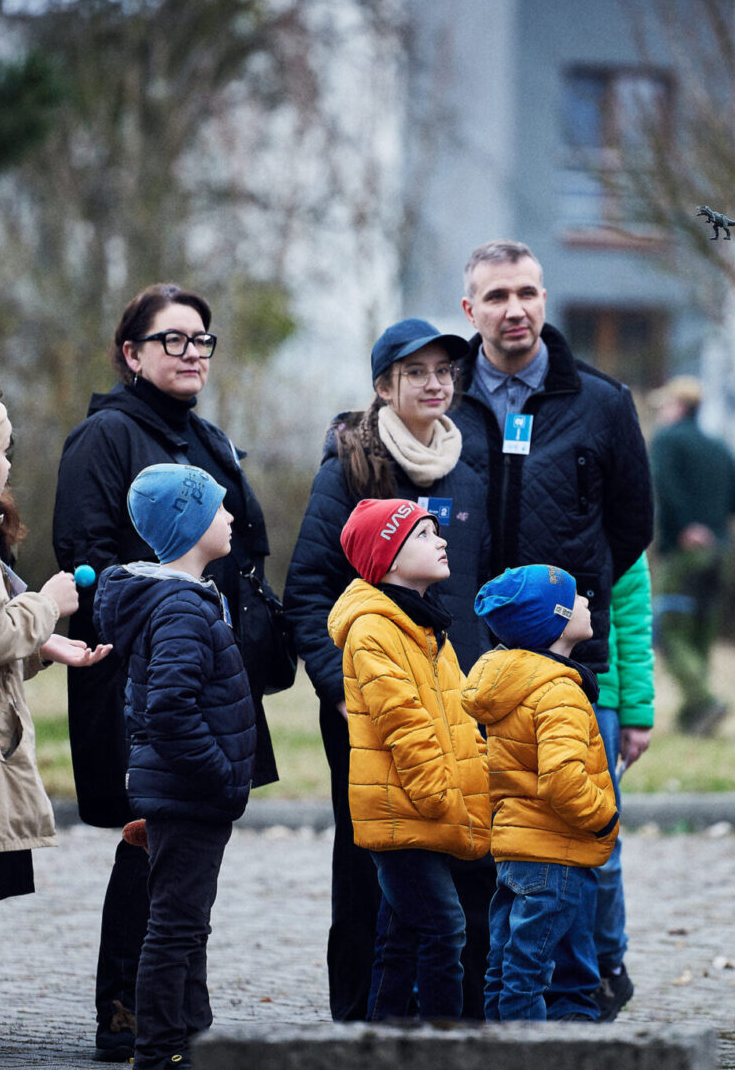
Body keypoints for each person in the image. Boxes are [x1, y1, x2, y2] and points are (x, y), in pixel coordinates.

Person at [53, 284, 279, 1059]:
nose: (191, 354)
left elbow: (244, 548)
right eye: (172, 340)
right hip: (139, 677)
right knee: (149, 837)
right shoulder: (107, 437)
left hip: (209, 664)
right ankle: (130, 1015)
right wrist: (162, 644)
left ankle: (180, 1015)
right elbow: (83, 556)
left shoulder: (204, 437)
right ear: (132, 354)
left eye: (202, 341)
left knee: (181, 856)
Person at [453, 239, 653, 1016]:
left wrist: (577, 601)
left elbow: (630, 525)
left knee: (576, 834)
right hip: (472, 665)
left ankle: (577, 997)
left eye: (528, 293)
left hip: (575, 664)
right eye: (497, 296)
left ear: (544, 299)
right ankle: (505, 995)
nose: (515, 309)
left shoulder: (601, 403)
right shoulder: (449, 398)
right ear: (470, 310)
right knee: (497, 833)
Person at [284, 318, 494, 1020]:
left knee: (461, 859)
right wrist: (334, 682)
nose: (435, 384)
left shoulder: (469, 468)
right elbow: (307, 590)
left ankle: (453, 1019)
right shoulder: (348, 467)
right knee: (371, 865)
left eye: (444, 371)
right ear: (383, 387)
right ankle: (361, 1018)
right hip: (368, 701)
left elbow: (477, 585)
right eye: (416, 373)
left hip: (453, 698)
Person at [92, 464, 256, 1070]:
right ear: (190, 525)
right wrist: (219, 775)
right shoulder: (182, 609)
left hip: (190, 797)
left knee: (187, 924)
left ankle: (194, 1038)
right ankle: (160, 1050)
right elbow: (169, 707)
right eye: (218, 508)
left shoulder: (184, 601)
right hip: (190, 795)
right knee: (175, 927)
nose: (232, 516)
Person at [0, 392, 110, 1042]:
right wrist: (48, 607)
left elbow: (1, 649)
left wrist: (44, 645)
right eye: (0, 453)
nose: (7, 466)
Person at [326, 498, 491, 1020]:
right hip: (406, 811)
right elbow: (404, 724)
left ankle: (381, 1041)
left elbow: (460, 719)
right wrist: (441, 796)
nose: (441, 540)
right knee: (446, 928)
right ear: (387, 558)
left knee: (399, 938)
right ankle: (443, 1050)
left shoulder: (426, 625)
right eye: (423, 535)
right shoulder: (373, 630)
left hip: (426, 809)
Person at [464, 565, 619, 1021]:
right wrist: (604, 817)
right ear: (553, 621)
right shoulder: (557, 693)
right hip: (553, 856)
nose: (588, 602)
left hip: (514, 851)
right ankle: (525, 1055)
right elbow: (562, 780)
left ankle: (494, 1051)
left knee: (504, 967)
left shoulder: (513, 682)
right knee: (529, 973)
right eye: (576, 599)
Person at [649, 376, 735, 736]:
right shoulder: (720, 447)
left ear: (678, 406)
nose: (659, 412)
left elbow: (662, 484)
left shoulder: (666, 440)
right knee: (700, 636)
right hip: (722, 552)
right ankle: (694, 718)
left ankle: (704, 702)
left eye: (663, 405)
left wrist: (684, 526)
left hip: (684, 553)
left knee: (667, 632)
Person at [581, 552, 654, 1020]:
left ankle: (608, 964)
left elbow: (632, 622)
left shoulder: (619, 535)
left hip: (602, 697)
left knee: (600, 842)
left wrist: (637, 714)